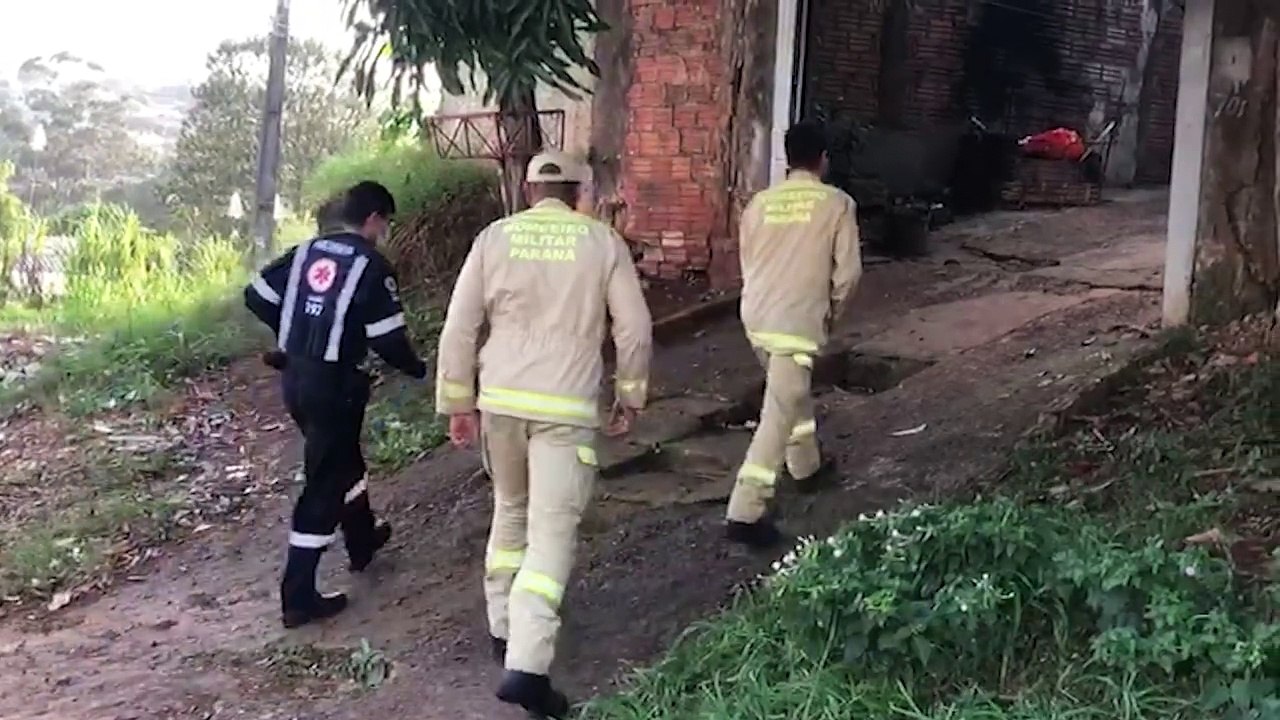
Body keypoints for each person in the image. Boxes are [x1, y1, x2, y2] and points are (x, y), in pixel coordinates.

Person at [435, 150, 652, 718]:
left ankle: (504, 628)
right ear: (579, 191)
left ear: (527, 190)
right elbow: (633, 328)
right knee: (551, 534)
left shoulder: (494, 238)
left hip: (502, 401)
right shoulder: (602, 242)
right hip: (566, 407)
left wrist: (458, 401)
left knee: (510, 510)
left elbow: (460, 327)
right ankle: (528, 668)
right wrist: (630, 394)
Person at [244, 181, 428, 628]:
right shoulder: (370, 264)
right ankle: (299, 595)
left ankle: (362, 539)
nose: (384, 232)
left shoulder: (307, 251)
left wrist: (295, 334)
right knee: (324, 484)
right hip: (334, 387)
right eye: (385, 224)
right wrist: (419, 370)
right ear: (373, 219)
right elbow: (387, 337)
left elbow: (257, 295)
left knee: (345, 462)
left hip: (297, 379)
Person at [725, 121, 863, 549]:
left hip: (757, 316)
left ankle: (805, 468)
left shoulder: (760, 204)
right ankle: (744, 512)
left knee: (789, 394)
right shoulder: (836, 204)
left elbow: (748, 262)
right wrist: (830, 315)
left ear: (788, 158)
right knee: (778, 413)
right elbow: (848, 274)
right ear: (823, 158)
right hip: (797, 322)